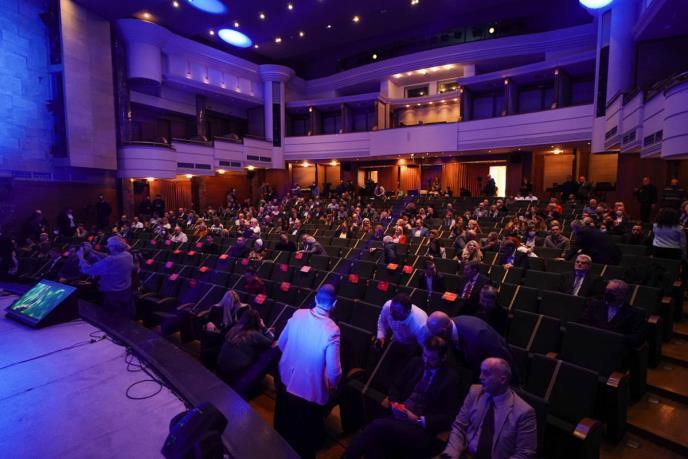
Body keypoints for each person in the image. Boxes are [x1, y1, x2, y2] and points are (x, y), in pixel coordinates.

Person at [343, 336, 462, 459]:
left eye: (431, 358)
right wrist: (395, 403)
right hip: (400, 415)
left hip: (420, 428)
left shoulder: (450, 378)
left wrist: (418, 420)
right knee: (376, 445)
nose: (426, 361)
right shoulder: (416, 362)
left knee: (376, 427)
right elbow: (396, 386)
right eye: (425, 355)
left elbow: (449, 416)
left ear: (443, 358)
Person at [275, 284, 342, 459]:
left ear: (315, 299)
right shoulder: (332, 329)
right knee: (303, 444)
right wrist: (333, 385)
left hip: (285, 383)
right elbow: (334, 372)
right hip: (309, 393)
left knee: (282, 433)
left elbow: (280, 344)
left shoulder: (298, 314)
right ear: (335, 304)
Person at [438, 358, 537, 459]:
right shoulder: (475, 392)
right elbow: (459, 427)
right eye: (481, 372)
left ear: (502, 379)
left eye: (486, 373)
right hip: (464, 454)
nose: (480, 377)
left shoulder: (524, 412)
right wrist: (452, 454)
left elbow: (525, 453)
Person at [425, 312, 519, 384]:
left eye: (436, 334)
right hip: (475, 367)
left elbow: (502, 355)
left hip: (491, 372)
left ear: (444, 331)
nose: (435, 337)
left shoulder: (477, 334)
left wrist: (514, 382)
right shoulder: (449, 326)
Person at [216, 309, 275, 396]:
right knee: (262, 359)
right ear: (258, 322)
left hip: (220, 367)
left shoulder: (234, 329)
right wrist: (264, 327)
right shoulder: (254, 335)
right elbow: (270, 341)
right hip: (234, 373)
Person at [77, 236, 134, 317]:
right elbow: (108, 257)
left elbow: (87, 270)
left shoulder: (110, 261)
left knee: (112, 318)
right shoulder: (128, 255)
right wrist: (93, 251)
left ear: (114, 247)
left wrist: (80, 257)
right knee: (125, 316)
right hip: (126, 291)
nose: (107, 246)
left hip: (112, 294)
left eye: (109, 245)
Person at [580, 279, 646, 347]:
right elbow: (583, 323)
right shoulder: (595, 305)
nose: (607, 293)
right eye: (606, 290)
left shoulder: (635, 314)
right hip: (592, 342)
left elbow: (636, 339)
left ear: (623, 295)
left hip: (616, 347)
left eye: (612, 291)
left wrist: (614, 339)